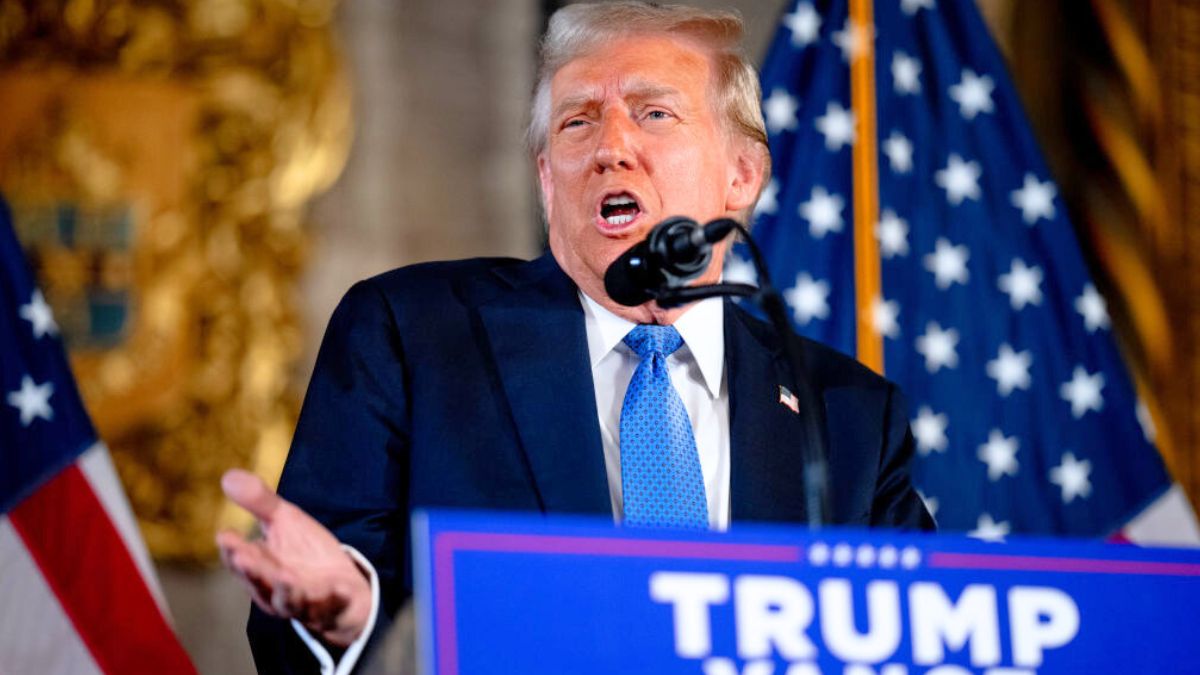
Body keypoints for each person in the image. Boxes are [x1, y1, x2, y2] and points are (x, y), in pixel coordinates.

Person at [217, 2, 934, 673]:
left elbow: (925, 638)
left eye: (654, 113)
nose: (611, 147)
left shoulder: (848, 416)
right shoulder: (413, 336)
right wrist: (347, 616)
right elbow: (302, 619)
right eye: (577, 123)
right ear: (545, 179)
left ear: (742, 174)